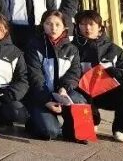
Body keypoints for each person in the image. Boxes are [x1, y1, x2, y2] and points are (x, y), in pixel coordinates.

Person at [73, 9, 123, 143]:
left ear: (99, 27)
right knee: (76, 87)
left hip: (107, 93)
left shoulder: (113, 49)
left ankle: (122, 129)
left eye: (91, 24)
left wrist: (117, 72)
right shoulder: (72, 48)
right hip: (83, 94)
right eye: (83, 24)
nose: (87, 28)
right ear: (78, 26)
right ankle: (91, 120)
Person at [25, 9, 85, 141]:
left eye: (58, 24)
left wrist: (64, 88)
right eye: (48, 24)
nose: (53, 28)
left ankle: (74, 132)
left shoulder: (72, 49)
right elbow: (35, 77)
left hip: (62, 93)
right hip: (41, 95)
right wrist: (46, 100)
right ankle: (33, 122)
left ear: (64, 27)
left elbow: (74, 73)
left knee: (79, 100)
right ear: (43, 25)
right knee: (50, 132)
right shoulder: (34, 47)